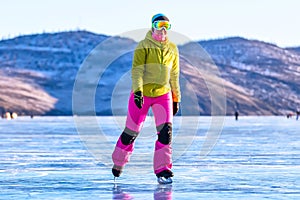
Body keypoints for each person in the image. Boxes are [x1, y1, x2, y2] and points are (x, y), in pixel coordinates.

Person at [111, 13, 181, 184]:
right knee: (131, 133)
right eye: (159, 25)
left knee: (166, 133)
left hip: (162, 94)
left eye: (166, 26)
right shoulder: (143, 46)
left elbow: (174, 74)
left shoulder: (173, 48)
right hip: (142, 94)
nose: (163, 29)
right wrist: (138, 91)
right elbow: (137, 70)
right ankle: (119, 162)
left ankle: (163, 169)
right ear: (152, 27)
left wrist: (176, 97)